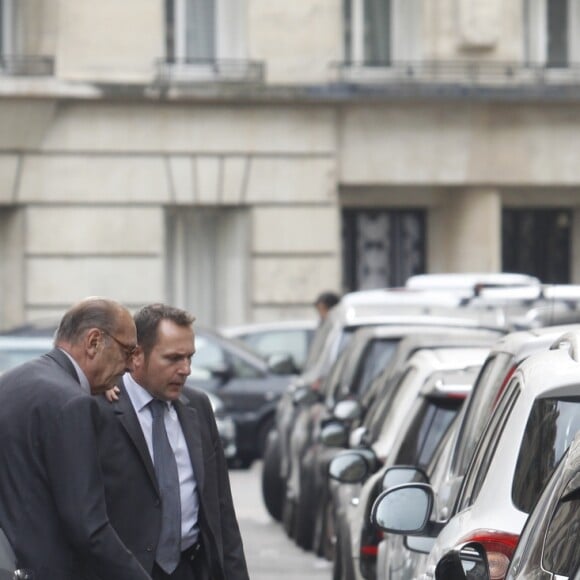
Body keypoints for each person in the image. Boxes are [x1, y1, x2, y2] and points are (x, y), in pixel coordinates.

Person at [0, 297, 152, 580]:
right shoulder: (73, 403)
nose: (131, 366)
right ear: (94, 342)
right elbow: (89, 528)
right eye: (128, 351)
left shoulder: (11, 382)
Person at [97, 303, 249, 580]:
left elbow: (221, 510)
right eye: (173, 358)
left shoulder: (199, 406)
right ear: (136, 356)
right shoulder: (102, 407)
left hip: (189, 568)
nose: (186, 369)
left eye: (190, 357)